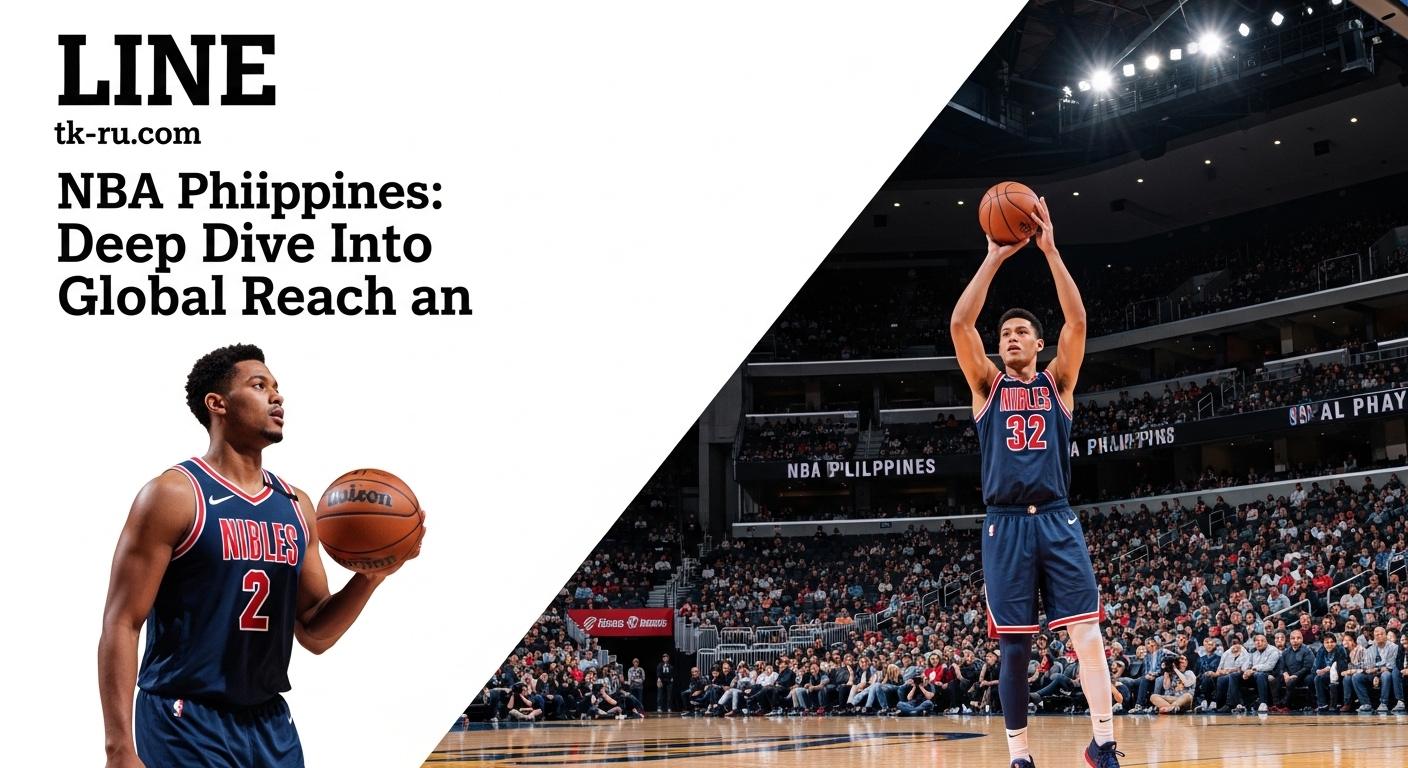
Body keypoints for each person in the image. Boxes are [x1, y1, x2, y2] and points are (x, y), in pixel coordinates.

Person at [98, 344, 423, 768]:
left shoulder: (296, 505)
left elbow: (314, 633)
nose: (277, 396)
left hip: (269, 720)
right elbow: (122, 622)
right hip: (184, 718)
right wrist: (119, 746)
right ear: (217, 404)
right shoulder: (173, 495)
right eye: (259, 385)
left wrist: (371, 577)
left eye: (276, 387)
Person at [951, 200, 1119, 767]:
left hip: (1057, 516)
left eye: (1023, 331)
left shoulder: (1059, 382)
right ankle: (1020, 756)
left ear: (1038, 344)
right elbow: (960, 324)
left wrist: (1049, 251)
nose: (1013, 337)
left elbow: (1077, 322)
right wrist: (994, 259)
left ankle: (1104, 745)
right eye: (1007, 334)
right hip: (1004, 524)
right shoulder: (985, 386)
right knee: (1015, 649)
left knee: (1088, 636)